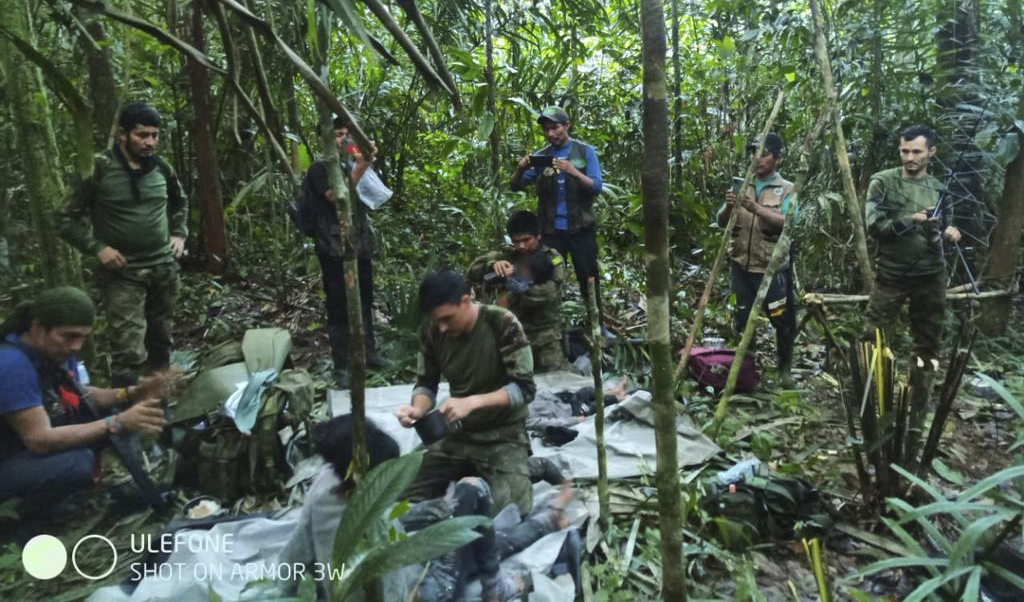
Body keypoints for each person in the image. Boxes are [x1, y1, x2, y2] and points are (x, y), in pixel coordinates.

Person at [277, 415, 572, 602]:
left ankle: (543, 520)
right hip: (424, 589)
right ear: (369, 476)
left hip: (396, 559)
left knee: (466, 518)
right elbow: (394, 589)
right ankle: (505, 576)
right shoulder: (374, 529)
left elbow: (294, 554)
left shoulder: (324, 487)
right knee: (477, 512)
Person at [0, 287, 170, 518]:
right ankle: (25, 520)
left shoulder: (53, 352)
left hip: (26, 443)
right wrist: (117, 422)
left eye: (82, 337)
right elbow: (39, 440)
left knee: (107, 414)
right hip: (10, 457)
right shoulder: (11, 364)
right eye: (69, 336)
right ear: (38, 327)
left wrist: (133, 392)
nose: (77, 347)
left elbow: (82, 395)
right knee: (77, 463)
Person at [59, 102, 187, 386]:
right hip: (123, 273)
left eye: (154, 135)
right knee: (128, 352)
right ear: (122, 134)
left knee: (161, 341)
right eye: (142, 135)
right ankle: (128, 420)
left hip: (163, 269)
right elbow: (65, 219)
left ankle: (159, 410)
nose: (150, 142)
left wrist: (178, 233)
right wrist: (97, 248)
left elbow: (180, 202)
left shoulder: (161, 168)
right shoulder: (98, 169)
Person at [394, 269, 536, 516]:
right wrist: (417, 409)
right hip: (458, 434)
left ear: (465, 301)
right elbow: (426, 384)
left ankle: (533, 467)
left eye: (447, 318)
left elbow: (524, 389)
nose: (442, 328)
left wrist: (472, 402)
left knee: (512, 511)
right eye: (436, 320)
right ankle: (469, 472)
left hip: (503, 435)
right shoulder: (433, 332)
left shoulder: (501, 323)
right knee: (395, 491)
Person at [303, 116, 389, 388]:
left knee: (364, 300)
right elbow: (337, 198)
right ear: (325, 139)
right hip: (334, 249)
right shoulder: (320, 169)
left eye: (346, 134)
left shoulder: (352, 164)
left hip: (359, 245)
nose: (342, 139)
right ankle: (342, 365)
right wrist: (361, 165)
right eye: (337, 134)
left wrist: (363, 161)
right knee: (339, 306)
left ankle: (369, 352)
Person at [863, 125, 960, 365]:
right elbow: (874, 226)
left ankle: (919, 399)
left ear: (931, 152)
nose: (909, 158)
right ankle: (866, 397)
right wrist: (911, 220)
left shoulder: (939, 189)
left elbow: (946, 228)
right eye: (904, 151)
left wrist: (950, 233)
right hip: (892, 272)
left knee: (928, 344)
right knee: (872, 337)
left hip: (930, 274)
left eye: (916, 152)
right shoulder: (883, 182)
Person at [510, 106, 610, 338]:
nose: (551, 133)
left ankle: (598, 326)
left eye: (555, 127)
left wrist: (572, 171)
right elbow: (516, 185)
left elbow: (596, 186)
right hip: (551, 232)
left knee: (589, 278)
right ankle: (548, 328)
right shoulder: (542, 156)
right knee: (547, 278)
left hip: (581, 231)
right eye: (546, 129)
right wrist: (520, 168)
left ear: (566, 126)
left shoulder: (585, 152)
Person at [717, 132, 797, 385]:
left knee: (781, 320)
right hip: (741, 264)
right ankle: (747, 371)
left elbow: (788, 224)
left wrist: (755, 208)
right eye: (753, 152)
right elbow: (721, 222)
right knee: (742, 319)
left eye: (763, 154)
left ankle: (784, 369)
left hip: (771, 268)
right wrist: (730, 206)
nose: (757, 158)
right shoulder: (743, 184)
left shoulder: (787, 189)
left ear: (777, 159)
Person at [467, 211, 570, 373]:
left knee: (558, 384)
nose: (521, 246)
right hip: (511, 336)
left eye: (526, 240)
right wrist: (493, 264)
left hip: (545, 337)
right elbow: (472, 270)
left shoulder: (552, 258)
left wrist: (512, 292)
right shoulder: (507, 254)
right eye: (516, 241)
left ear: (538, 236)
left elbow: (549, 293)